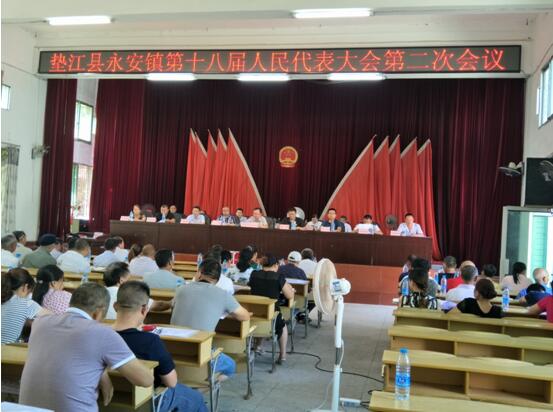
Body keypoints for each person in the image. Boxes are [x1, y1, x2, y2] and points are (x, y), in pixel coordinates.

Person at [19, 282, 154, 411]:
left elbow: (66, 353)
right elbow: (145, 380)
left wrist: (102, 372)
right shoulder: (103, 333)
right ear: (98, 313)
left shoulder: (40, 323)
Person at [113, 281, 207, 412]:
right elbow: (171, 382)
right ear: (144, 309)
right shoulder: (150, 341)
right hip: (148, 402)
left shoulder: (99, 335)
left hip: (109, 401)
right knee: (196, 398)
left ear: (115, 306)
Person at [171, 259, 250, 379]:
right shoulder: (223, 294)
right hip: (200, 352)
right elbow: (245, 316)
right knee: (231, 366)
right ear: (217, 280)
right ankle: (206, 384)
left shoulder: (181, 289)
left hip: (172, 349)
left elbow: (172, 306)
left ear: (199, 273)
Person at [249, 254, 295, 363]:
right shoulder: (278, 277)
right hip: (272, 315)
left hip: (255, 314)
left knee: (262, 315)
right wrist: (290, 288)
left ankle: (257, 346)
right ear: (276, 265)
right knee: (283, 326)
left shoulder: (254, 274)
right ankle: (282, 355)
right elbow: (289, 296)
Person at [104, 262, 171, 320]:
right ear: (121, 280)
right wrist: (171, 303)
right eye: (129, 278)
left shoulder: (100, 292)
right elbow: (159, 306)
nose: (130, 280)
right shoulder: (129, 293)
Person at [1, 269, 47, 344]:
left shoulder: (3, 297)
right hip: (7, 349)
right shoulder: (26, 303)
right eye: (29, 292)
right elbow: (54, 318)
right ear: (25, 287)